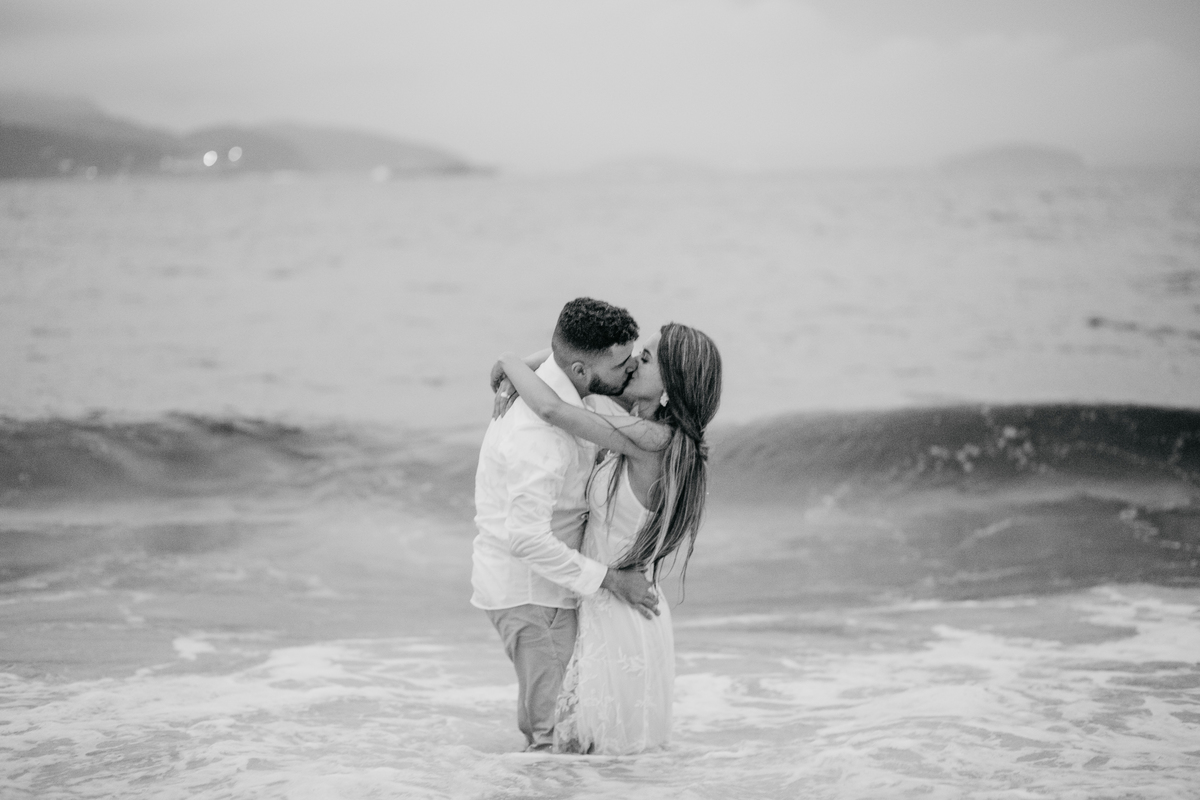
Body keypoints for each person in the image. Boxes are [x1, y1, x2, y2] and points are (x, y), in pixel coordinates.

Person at [495, 321, 723, 755]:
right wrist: (528, 367)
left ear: (670, 383)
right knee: (593, 761)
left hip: (616, 617)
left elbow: (552, 410)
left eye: (647, 357)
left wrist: (507, 362)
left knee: (586, 753)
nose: (635, 360)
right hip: (616, 606)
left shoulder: (653, 439)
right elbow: (582, 366)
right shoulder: (657, 433)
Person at [471, 298, 661, 753]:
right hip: (534, 595)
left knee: (566, 734)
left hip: (554, 591)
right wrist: (612, 581)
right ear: (579, 370)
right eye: (622, 363)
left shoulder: (579, 393)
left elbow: (562, 370)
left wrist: (511, 362)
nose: (631, 369)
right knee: (554, 739)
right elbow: (526, 539)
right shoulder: (538, 437)